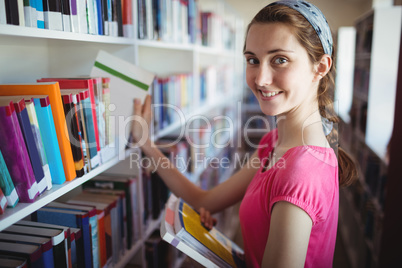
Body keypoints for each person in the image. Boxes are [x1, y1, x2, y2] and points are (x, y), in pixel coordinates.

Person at [131, 0, 357, 267]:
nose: (260, 79)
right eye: (252, 60)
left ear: (320, 67)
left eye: (280, 60)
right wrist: (146, 144)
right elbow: (205, 200)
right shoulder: (274, 143)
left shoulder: (301, 171)